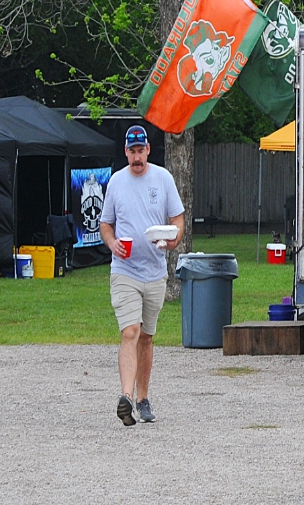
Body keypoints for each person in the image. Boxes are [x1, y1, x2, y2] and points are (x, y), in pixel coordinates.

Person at [100, 125, 184, 427]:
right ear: (126, 152)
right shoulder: (116, 182)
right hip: (125, 271)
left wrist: (173, 239)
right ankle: (125, 397)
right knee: (130, 332)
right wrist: (112, 244)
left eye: (141, 151)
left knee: (146, 337)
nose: (137, 157)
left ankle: (143, 398)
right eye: (132, 152)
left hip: (155, 270)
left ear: (148, 150)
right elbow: (106, 224)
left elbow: (177, 219)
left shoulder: (163, 178)